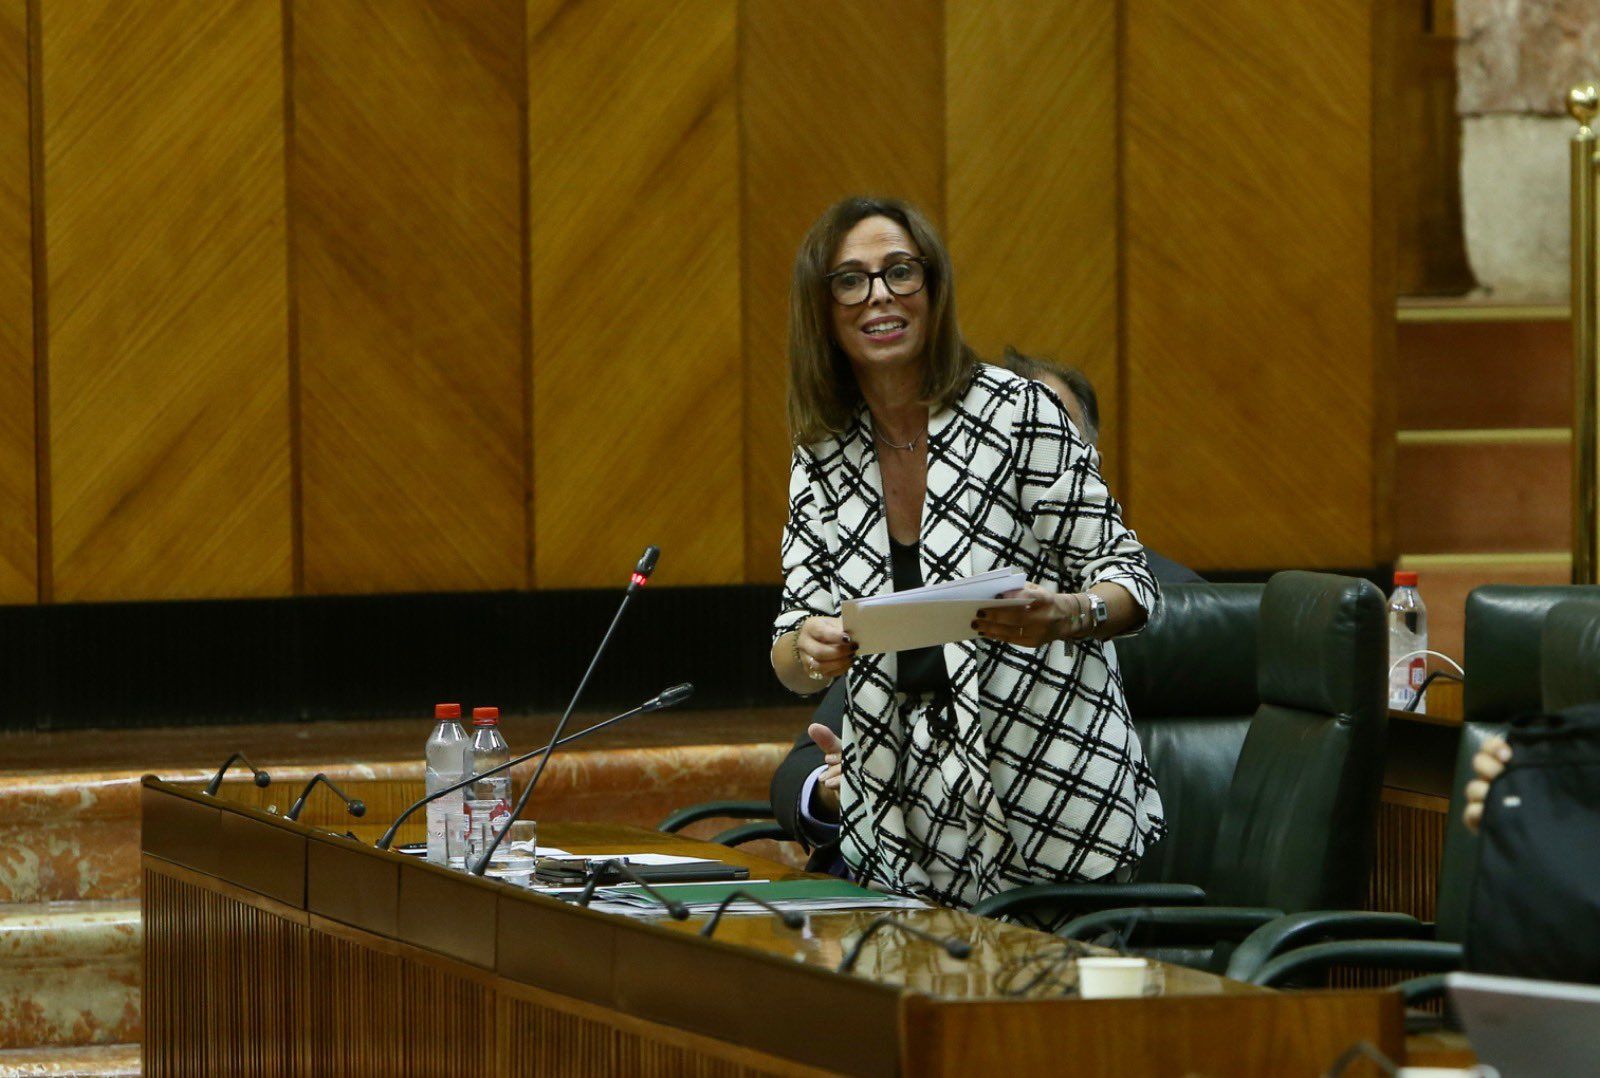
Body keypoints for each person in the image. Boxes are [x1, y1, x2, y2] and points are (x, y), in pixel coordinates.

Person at [767, 196, 1163, 906]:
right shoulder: (823, 453)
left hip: (1052, 799)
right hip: (902, 824)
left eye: (900, 273)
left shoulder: (1017, 415)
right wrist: (809, 648)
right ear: (821, 309)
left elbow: (1130, 577)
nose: (879, 295)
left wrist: (1071, 613)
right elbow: (788, 652)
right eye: (850, 280)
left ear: (934, 290)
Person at [773, 349, 1200, 874]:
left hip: (1067, 859)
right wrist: (834, 793)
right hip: (912, 867)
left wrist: (1075, 616)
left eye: (1048, 441)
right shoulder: (908, 589)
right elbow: (800, 769)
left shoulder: (1178, 601)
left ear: (1088, 459)